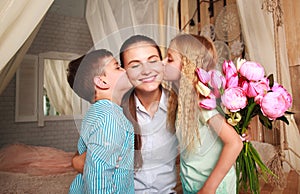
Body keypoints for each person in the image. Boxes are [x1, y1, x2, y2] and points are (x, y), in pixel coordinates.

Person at [72, 35, 179, 194]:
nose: (146, 70)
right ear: (126, 72)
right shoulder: (114, 112)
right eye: (135, 65)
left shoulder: (180, 106)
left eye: (153, 60)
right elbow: (80, 158)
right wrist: (89, 162)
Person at [163, 34, 243, 194]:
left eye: (169, 59)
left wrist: (209, 188)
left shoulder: (202, 103)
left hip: (214, 189)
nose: (162, 62)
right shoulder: (183, 101)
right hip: (192, 185)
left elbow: (235, 143)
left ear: (188, 64)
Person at [68, 49, 135, 193]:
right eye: (117, 67)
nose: (124, 70)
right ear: (101, 81)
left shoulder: (98, 113)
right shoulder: (109, 118)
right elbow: (98, 180)